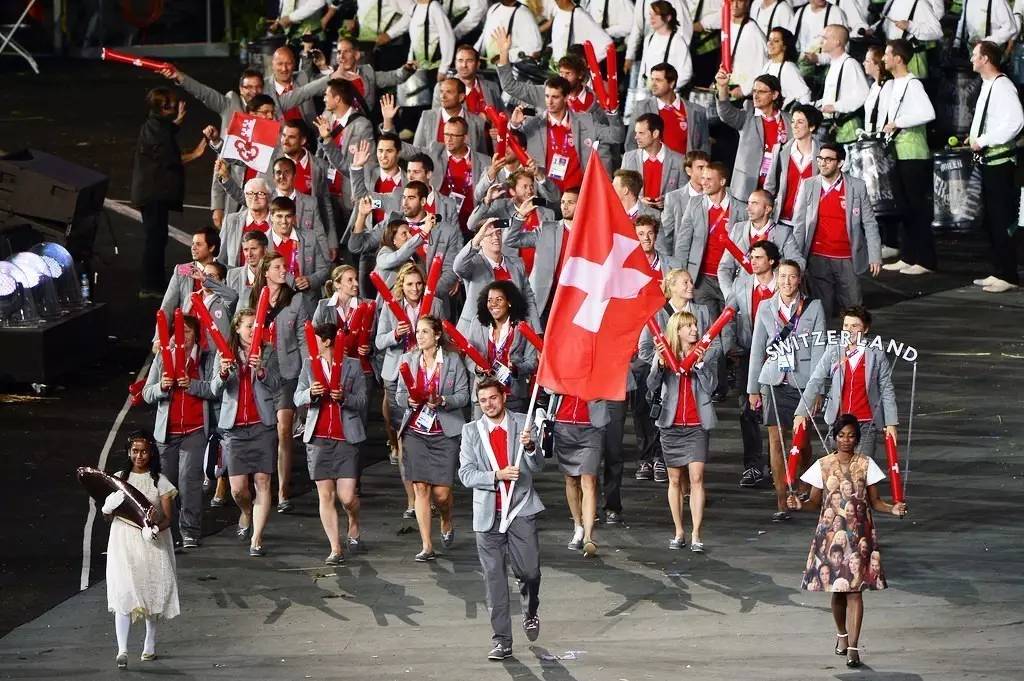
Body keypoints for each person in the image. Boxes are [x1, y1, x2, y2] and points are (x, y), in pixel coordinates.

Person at [787, 414, 908, 669]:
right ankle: (842, 635)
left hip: (860, 534)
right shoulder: (822, 465)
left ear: (857, 439)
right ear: (834, 437)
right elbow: (814, 503)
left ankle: (853, 647)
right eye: (841, 435)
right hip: (830, 536)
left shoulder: (866, 464)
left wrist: (893, 509)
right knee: (839, 592)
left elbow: (875, 502)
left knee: (855, 591)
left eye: (851, 436)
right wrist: (799, 505)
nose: (846, 440)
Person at [458, 378, 543, 661]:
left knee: (530, 572)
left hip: (520, 509)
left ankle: (530, 609)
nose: (488, 404)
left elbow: (538, 465)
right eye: (483, 400)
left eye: (493, 398)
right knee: (494, 580)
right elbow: (466, 474)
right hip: (488, 516)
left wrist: (530, 448)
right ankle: (502, 640)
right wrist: (496, 475)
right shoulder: (471, 431)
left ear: (503, 397)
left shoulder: (523, 423)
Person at [747, 259, 826, 521]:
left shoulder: (813, 307)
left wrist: (817, 389)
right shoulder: (765, 307)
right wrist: (753, 388)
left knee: (802, 439)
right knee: (776, 440)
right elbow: (757, 348)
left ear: (799, 279)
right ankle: (782, 498)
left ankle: (804, 483)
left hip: (803, 382)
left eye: (791, 277)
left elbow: (819, 350)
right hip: (773, 381)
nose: (786, 282)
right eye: (782, 276)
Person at [395, 315, 471, 561]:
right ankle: (427, 545)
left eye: (425, 332)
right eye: (417, 332)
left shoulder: (452, 361)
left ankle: (446, 519)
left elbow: (464, 396)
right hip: (416, 432)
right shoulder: (408, 360)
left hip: (444, 433)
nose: (419, 336)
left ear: (437, 335)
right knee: (420, 488)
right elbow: (398, 395)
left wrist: (443, 400)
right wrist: (409, 400)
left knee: (441, 495)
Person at [103, 431, 179, 669]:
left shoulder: (160, 482)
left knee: (150, 591)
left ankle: (150, 643)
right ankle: (122, 649)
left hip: (150, 543)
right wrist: (107, 508)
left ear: (151, 453)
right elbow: (109, 516)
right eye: (135, 451)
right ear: (129, 452)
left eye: (144, 451)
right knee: (124, 591)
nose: (139, 455)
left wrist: (154, 528)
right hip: (123, 541)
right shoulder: (119, 479)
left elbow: (167, 518)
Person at [295, 322, 368, 564]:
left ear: (327, 341)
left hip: (346, 438)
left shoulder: (353, 365)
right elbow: (297, 396)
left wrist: (345, 397)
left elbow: (362, 400)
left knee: (347, 497)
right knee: (325, 495)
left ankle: (353, 521)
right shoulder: (309, 365)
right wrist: (310, 393)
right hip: (318, 439)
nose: (311, 344)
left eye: (315, 339)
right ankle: (335, 548)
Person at [211, 307, 281, 556]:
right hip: (235, 430)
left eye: (257, 325)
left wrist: (261, 370)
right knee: (238, 489)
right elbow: (214, 389)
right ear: (238, 328)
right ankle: (246, 511)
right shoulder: (224, 351)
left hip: (262, 426)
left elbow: (277, 383)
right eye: (249, 325)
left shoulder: (268, 351)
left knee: (263, 481)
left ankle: (256, 538)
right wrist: (222, 373)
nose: (254, 330)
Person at [142, 314, 217, 549]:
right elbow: (146, 393)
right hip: (167, 434)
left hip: (195, 431)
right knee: (166, 486)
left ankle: (190, 531)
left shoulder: (206, 359)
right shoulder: (163, 358)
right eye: (178, 331)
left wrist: (192, 385)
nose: (182, 336)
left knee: (189, 483)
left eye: (187, 331)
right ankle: (167, 531)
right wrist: (161, 387)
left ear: (196, 335)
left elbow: (215, 389)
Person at [648, 311, 719, 552]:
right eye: (689, 326)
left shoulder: (705, 352)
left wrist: (700, 365)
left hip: (697, 425)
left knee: (697, 478)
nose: (694, 330)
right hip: (671, 425)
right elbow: (651, 385)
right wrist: (660, 365)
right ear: (677, 331)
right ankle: (679, 531)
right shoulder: (664, 353)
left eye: (695, 325)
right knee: (675, 480)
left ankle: (696, 533)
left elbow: (712, 386)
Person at [376, 263, 444, 509]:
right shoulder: (390, 306)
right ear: (401, 286)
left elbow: (444, 336)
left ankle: (428, 493)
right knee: (405, 437)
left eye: (419, 284)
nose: (415, 289)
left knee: (428, 434)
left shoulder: (435, 304)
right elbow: (378, 341)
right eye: (409, 284)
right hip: (397, 376)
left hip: (428, 373)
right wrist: (395, 334)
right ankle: (413, 499)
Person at [638, 268, 713, 483]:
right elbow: (644, 349)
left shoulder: (702, 311)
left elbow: (714, 342)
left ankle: (691, 485)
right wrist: (666, 362)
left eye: (691, 282)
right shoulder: (657, 313)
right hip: (666, 380)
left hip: (696, 379)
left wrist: (700, 359)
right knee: (661, 419)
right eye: (685, 282)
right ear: (671, 287)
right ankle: (656, 459)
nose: (691, 286)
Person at [791, 143, 882, 320]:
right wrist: (796, 259)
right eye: (820, 158)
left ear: (840, 163)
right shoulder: (808, 185)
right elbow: (799, 225)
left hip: (848, 258)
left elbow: (870, 223)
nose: (822, 163)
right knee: (821, 311)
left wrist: (875, 255)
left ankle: (855, 339)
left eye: (828, 159)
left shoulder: (857, 186)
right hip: (818, 258)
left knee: (854, 309)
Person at [795, 306, 898, 461]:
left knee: (861, 470)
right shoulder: (834, 349)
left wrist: (891, 423)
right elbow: (816, 379)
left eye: (854, 326)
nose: (849, 330)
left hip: (866, 423)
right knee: (839, 471)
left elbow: (886, 389)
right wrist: (801, 412)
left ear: (865, 329)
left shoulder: (876, 353)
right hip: (839, 422)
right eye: (846, 325)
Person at [131, 87, 208, 297]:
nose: (175, 108)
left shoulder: (156, 125)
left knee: (158, 238)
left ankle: (154, 282)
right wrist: (195, 154)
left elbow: (166, 132)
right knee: (155, 239)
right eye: (172, 106)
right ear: (163, 108)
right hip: (153, 194)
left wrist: (179, 121)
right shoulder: (155, 129)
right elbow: (168, 157)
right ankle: (150, 286)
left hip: (154, 193)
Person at [250, 252, 311, 513]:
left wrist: (308, 372)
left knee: (284, 429)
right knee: (263, 430)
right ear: (266, 271)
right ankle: (261, 485)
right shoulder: (252, 297)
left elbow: (304, 339)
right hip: (259, 370)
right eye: (277, 267)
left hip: (287, 371)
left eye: (284, 266)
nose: (284, 270)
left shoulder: (296, 299)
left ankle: (283, 491)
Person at [968, 41, 1024, 294]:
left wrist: (984, 140)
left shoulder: (1003, 86)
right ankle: (999, 270)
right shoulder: (988, 85)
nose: (971, 58)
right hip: (988, 161)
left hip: (1000, 162)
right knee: (991, 219)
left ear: (986, 59)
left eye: (975, 55)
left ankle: (1009, 274)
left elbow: (1016, 122)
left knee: (1002, 218)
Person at [878, 39, 937, 277]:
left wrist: (897, 123)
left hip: (914, 154)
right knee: (904, 207)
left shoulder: (913, 84)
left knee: (917, 208)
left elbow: (928, 113)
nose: (883, 58)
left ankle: (925, 259)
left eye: (887, 54)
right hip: (900, 153)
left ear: (898, 58)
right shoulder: (895, 84)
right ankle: (908, 255)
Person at [724, 241, 780, 488]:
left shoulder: (784, 284)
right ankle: (753, 466)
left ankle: (778, 467)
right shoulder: (742, 283)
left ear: (772, 261)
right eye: (752, 257)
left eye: (758, 257)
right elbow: (728, 315)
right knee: (747, 412)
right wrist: (729, 346)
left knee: (777, 413)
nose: (753, 262)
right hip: (748, 355)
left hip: (778, 358)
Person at [715, 71, 790, 200]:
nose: (756, 95)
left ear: (774, 95)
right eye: (754, 91)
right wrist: (722, 88)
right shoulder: (748, 115)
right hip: (746, 188)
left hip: (776, 189)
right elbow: (726, 113)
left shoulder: (788, 120)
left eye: (761, 92)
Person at [453, 220, 538, 333]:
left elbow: (528, 299)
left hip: (510, 332)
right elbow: (458, 266)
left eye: (498, 233)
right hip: (476, 333)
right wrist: (476, 239)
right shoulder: (473, 264)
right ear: (480, 240)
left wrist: (536, 331)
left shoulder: (516, 264)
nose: (496, 237)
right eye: (489, 234)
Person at [627, 63, 711, 157]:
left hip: (684, 165)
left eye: (658, 80)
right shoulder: (641, 108)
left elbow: (704, 146)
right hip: (651, 165)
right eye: (652, 79)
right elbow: (631, 144)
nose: (653, 84)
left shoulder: (697, 111)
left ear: (671, 83)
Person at [764, 104, 821, 228]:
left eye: (800, 122)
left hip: (806, 225)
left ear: (812, 127)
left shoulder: (822, 155)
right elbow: (769, 186)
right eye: (793, 121)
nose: (794, 126)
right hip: (780, 221)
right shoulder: (780, 151)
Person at [813, 25, 869, 144]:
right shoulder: (834, 63)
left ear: (837, 42)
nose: (821, 41)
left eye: (825, 38)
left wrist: (836, 106)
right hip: (835, 129)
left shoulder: (850, 64)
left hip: (848, 129)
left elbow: (863, 94)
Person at [621, 114, 686, 211]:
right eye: (636, 133)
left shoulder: (679, 160)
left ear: (655, 134)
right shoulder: (628, 158)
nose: (636, 137)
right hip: (638, 217)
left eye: (641, 133)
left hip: (667, 217)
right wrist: (639, 201)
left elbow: (684, 194)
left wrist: (668, 201)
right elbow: (621, 191)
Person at [637, 2, 694, 90]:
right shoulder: (648, 39)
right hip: (649, 92)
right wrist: (640, 89)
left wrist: (668, 87)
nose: (652, 18)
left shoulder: (677, 41)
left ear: (668, 17)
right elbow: (643, 68)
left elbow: (686, 73)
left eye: (656, 15)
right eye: (650, 14)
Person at [723, 0, 769, 97]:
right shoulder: (727, 25)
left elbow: (761, 66)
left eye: (739, 1)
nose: (735, 5)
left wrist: (745, 90)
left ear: (747, 3)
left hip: (743, 93)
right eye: (732, 1)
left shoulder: (753, 31)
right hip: (730, 86)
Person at [758, 27, 812, 109]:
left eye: (776, 41)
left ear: (784, 46)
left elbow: (805, 95)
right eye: (769, 40)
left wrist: (799, 113)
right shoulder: (767, 65)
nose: (770, 43)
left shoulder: (789, 68)